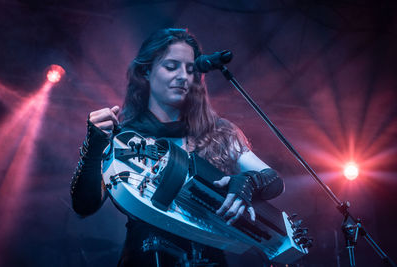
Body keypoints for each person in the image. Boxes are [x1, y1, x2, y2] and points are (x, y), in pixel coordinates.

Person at [70, 28, 284, 267]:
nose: (183, 76)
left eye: (190, 69)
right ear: (146, 71)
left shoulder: (219, 131)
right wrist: (93, 146)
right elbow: (85, 205)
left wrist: (249, 183)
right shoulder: (122, 136)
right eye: (171, 66)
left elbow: (273, 179)